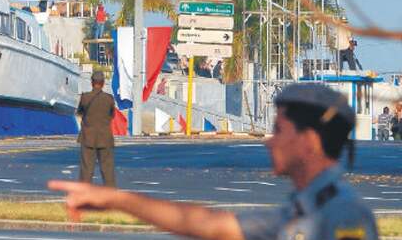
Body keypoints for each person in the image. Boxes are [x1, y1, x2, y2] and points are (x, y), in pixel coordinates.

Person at [50, 82, 378, 240]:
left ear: (308, 141)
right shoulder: (305, 207)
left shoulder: (343, 214)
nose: (270, 140)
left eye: (279, 130)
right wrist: (117, 199)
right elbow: (211, 225)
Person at [76, 71, 116, 187]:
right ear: (103, 83)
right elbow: (111, 115)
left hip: (88, 136)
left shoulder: (85, 97)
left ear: (92, 83)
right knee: (107, 169)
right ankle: (110, 195)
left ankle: (84, 194)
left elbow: (80, 112)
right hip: (105, 137)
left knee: (86, 169)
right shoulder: (109, 99)